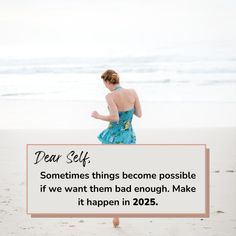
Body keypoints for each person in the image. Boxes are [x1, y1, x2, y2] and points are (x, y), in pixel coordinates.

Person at [91, 69, 142, 227]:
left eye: (104, 83)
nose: (105, 86)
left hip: (113, 138)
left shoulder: (110, 96)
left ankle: (115, 212)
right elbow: (139, 114)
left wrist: (98, 115)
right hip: (128, 137)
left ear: (107, 82)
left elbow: (114, 117)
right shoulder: (132, 92)